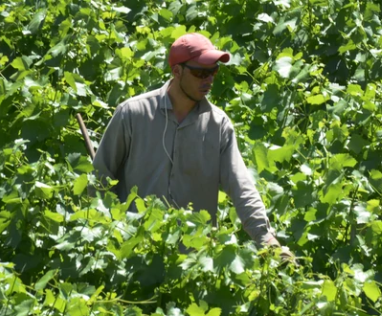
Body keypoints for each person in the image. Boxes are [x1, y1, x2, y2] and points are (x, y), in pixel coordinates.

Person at [93, 32, 291, 258]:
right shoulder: (133, 114)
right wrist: (109, 234)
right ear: (177, 71)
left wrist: (267, 240)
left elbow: (241, 187)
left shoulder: (218, 126)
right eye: (200, 73)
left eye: (213, 71)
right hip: (135, 253)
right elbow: (100, 179)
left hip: (194, 262)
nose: (209, 80)